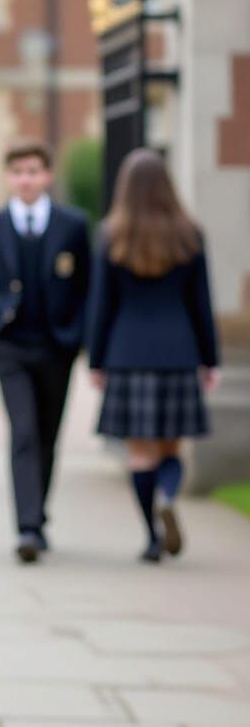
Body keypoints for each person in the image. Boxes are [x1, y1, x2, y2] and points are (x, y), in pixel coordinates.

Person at [87, 148, 220, 562]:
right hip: (179, 353)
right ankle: (168, 493)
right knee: (169, 450)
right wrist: (210, 359)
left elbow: (101, 304)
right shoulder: (190, 233)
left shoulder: (112, 233)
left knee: (140, 453)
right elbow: (202, 303)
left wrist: (96, 359)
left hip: (127, 353)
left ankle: (150, 535)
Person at [0, 141, 90, 563]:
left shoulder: (73, 224)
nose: (27, 179)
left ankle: (38, 514)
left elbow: (88, 285)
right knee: (24, 432)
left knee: (48, 435)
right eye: (18, 172)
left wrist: (77, 335)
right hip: (11, 346)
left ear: (48, 175)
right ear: (8, 177)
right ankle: (28, 529)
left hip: (57, 347)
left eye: (34, 171)